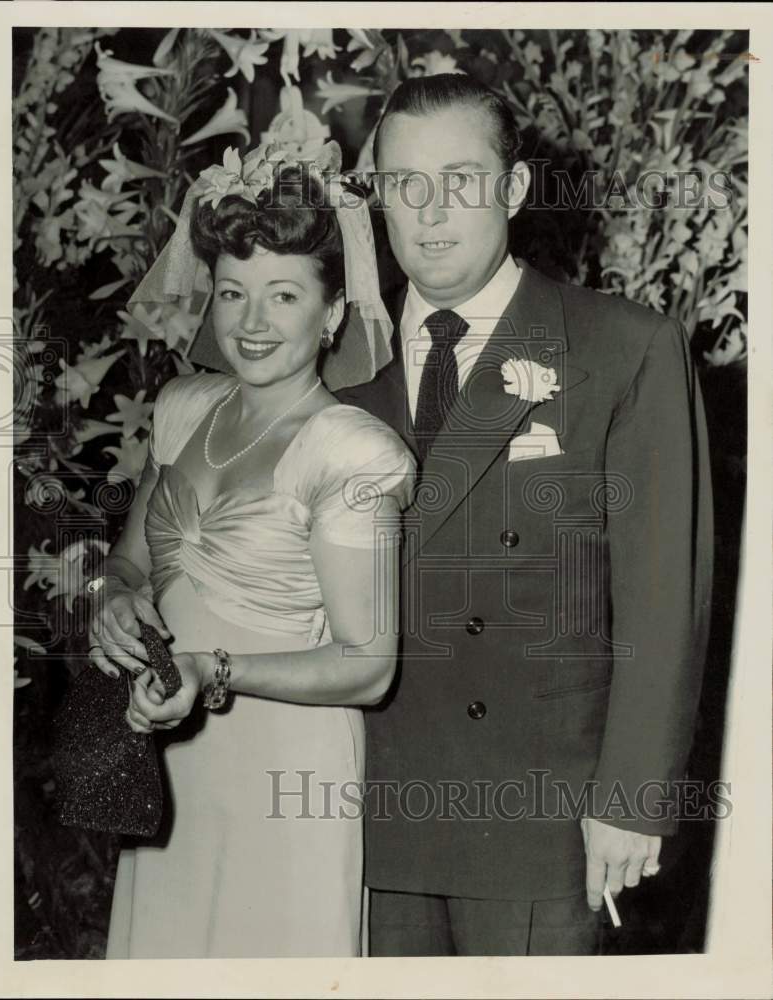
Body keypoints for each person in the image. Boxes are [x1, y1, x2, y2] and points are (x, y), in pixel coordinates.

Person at [334, 74, 714, 956]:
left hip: (541, 817)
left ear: (513, 189)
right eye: (404, 183)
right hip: (362, 811)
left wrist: (630, 800)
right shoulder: (343, 362)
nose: (430, 210)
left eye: (460, 179)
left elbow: (664, 599)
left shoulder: (622, 347)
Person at [86, 142, 416, 959]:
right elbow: (132, 562)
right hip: (168, 760)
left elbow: (368, 666)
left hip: (286, 775)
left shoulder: (350, 450)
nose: (252, 322)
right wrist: (111, 597)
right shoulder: (184, 407)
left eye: (284, 294)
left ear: (333, 311)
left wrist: (211, 672)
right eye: (233, 293)